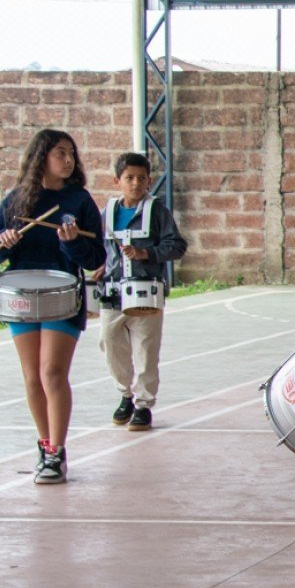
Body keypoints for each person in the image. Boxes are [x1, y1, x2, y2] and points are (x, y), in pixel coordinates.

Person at [0, 128, 107, 485]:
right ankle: (45, 444)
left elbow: (95, 255)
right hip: (21, 295)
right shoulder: (16, 200)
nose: (68, 160)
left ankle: (57, 454)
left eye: (71, 154)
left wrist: (70, 245)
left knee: (52, 373)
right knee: (32, 376)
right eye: (60, 153)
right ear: (42, 158)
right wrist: (2, 242)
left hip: (63, 295)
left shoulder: (80, 201)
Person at [97, 151, 187, 433]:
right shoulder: (107, 213)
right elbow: (100, 248)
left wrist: (145, 253)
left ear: (149, 181)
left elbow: (177, 245)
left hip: (146, 293)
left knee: (146, 350)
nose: (136, 183)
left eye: (142, 178)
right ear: (117, 181)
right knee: (109, 343)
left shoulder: (157, 211)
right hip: (112, 292)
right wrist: (99, 264)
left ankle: (144, 405)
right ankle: (125, 393)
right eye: (129, 178)